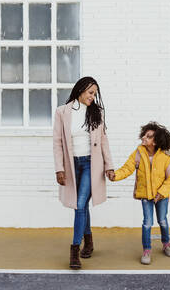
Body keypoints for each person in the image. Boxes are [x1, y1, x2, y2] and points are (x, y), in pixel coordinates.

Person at [53, 76, 114, 270]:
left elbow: (103, 140)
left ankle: (74, 250)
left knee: (80, 205)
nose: (92, 97)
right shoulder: (62, 112)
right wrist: (59, 169)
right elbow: (57, 143)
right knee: (80, 206)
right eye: (90, 93)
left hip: (90, 164)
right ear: (81, 90)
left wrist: (109, 166)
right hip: (71, 166)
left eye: (95, 94)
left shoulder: (96, 113)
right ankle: (89, 242)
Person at [108, 122, 170, 265]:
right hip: (145, 195)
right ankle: (146, 250)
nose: (144, 138)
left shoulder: (165, 157)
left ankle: (166, 243)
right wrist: (115, 175)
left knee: (162, 220)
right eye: (144, 135)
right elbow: (127, 168)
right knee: (147, 223)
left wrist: (162, 192)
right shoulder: (138, 153)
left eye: (149, 136)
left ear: (156, 140)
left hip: (161, 196)